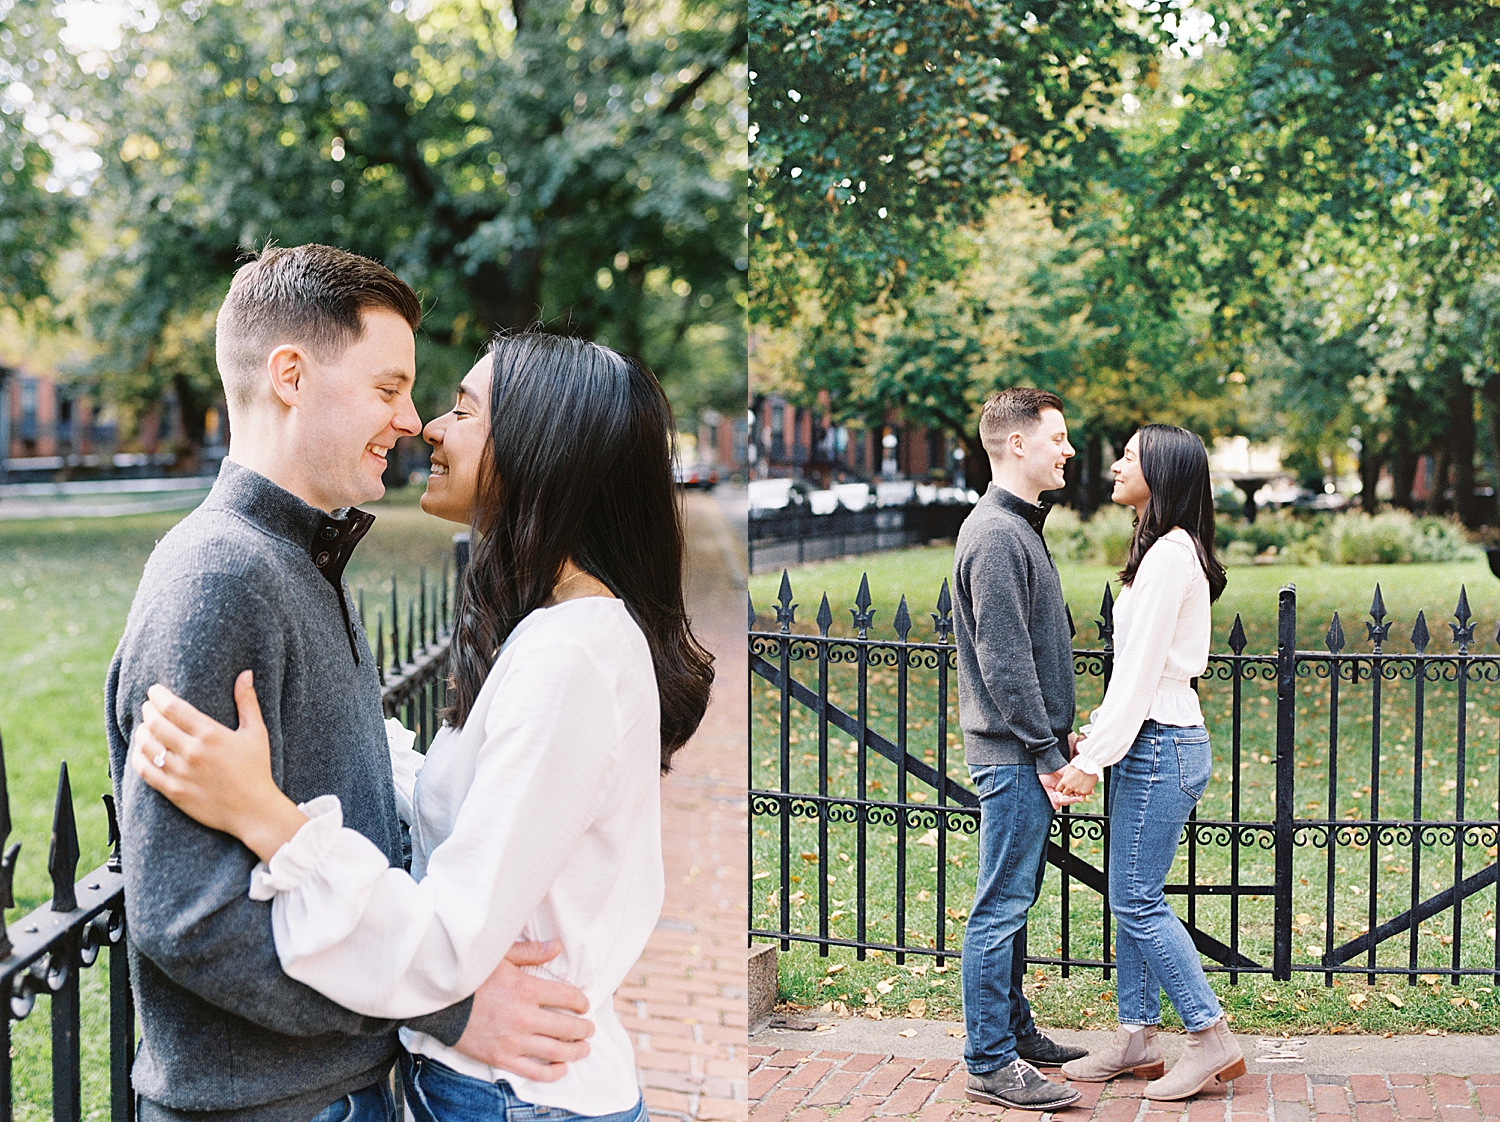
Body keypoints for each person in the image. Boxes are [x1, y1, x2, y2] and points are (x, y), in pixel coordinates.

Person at [129, 330, 717, 1122]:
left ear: (543, 449)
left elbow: (448, 946)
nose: (427, 425)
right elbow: (458, 804)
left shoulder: (570, 656)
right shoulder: (559, 632)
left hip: (517, 1096)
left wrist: (267, 817)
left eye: (463, 408)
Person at [1055, 425, 1244, 1101]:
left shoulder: (1170, 555)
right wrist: (1102, 733)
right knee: (1131, 895)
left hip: (1161, 745)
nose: (1114, 464)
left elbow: (1141, 673)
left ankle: (1210, 1037)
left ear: (1160, 473)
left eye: (1129, 456)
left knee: (1136, 899)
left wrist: (1095, 758)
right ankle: (1137, 1040)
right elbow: (1135, 675)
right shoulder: (1164, 550)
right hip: (1152, 739)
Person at [952, 387, 1088, 1111]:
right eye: (1057, 437)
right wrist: (1045, 752)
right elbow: (1004, 661)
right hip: (1012, 758)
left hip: (1024, 750)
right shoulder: (998, 535)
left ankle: (1013, 1031)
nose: (1067, 450)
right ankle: (989, 1060)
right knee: (999, 907)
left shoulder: (1017, 528)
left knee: (1013, 901)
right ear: (1017, 444)